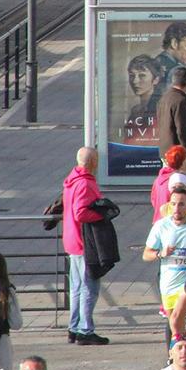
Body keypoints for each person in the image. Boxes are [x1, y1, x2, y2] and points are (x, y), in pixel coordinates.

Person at [61, 147, 111, 345]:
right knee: (89, 287)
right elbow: (80, 213)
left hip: (72, 239)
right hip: (84, 242)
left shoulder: (71, 180)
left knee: (76, 287)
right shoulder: (85, 183)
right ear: (92, 162)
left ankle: (74, 327)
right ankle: (85, 330)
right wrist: (101, 215)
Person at [144, 185, 186, 340]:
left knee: (176, 319)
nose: (176, 208)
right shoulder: (161, 226)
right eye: (173, 204)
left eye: (181, 204)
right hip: (168, 283)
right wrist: (160, 253)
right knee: (174, 324)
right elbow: (146, 254)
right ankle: (176, 355)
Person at [156, 64, 186, 172]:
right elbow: (182, 130)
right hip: (177, 154)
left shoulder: (164, 98)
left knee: (168, 182)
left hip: (165, 150)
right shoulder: (181, 101)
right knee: (179, 182)